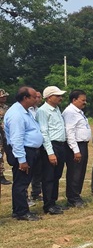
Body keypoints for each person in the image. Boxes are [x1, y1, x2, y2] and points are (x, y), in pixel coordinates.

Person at [4, 87, 43, 221]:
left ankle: (19, 210)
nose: (36, 99)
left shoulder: (25, 111)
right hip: (23, 152)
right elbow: (16, 139)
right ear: (25, 98)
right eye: (34, 97)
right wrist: (22, 159)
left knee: (23, 182)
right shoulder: (16, 114)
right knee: (21, 183)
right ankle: (21, 212)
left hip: (30, 150)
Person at [36, 86, 67, 215]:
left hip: (60, 145)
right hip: (51, 146)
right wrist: (50, 152)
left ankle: (53, 202)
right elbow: (44, 132)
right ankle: (48, 205)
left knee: (57, 175)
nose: (60, 98)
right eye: (57, 95)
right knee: (49, 176)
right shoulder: (43, 111)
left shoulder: (57, 109)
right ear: (49, 97)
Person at [62, 90, 92, 208]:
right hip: (75, 146)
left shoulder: (78, 112)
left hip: (82, 144)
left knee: (81, 171)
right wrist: (76, 150)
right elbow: (69, 132)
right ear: (74, 100)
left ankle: (76, 194)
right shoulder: (70, 112)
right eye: (82, 100)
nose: (85, 102)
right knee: (75, 172)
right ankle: (72, 198)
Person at [28, 91, 43, 202]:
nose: (37, 99)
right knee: (27, 172)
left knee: (38, 171)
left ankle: (36, 193)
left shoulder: (39, 111)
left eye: (39, 97)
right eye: (35, 97)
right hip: (29, 147)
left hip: (39, 146)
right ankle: (25, 197)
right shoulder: (26, 111)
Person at [0, 89, 12, 185]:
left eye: (5, 96)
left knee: (3, 153)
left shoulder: (6, 107)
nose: (4, 97)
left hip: (5, 134)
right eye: (2, 96)